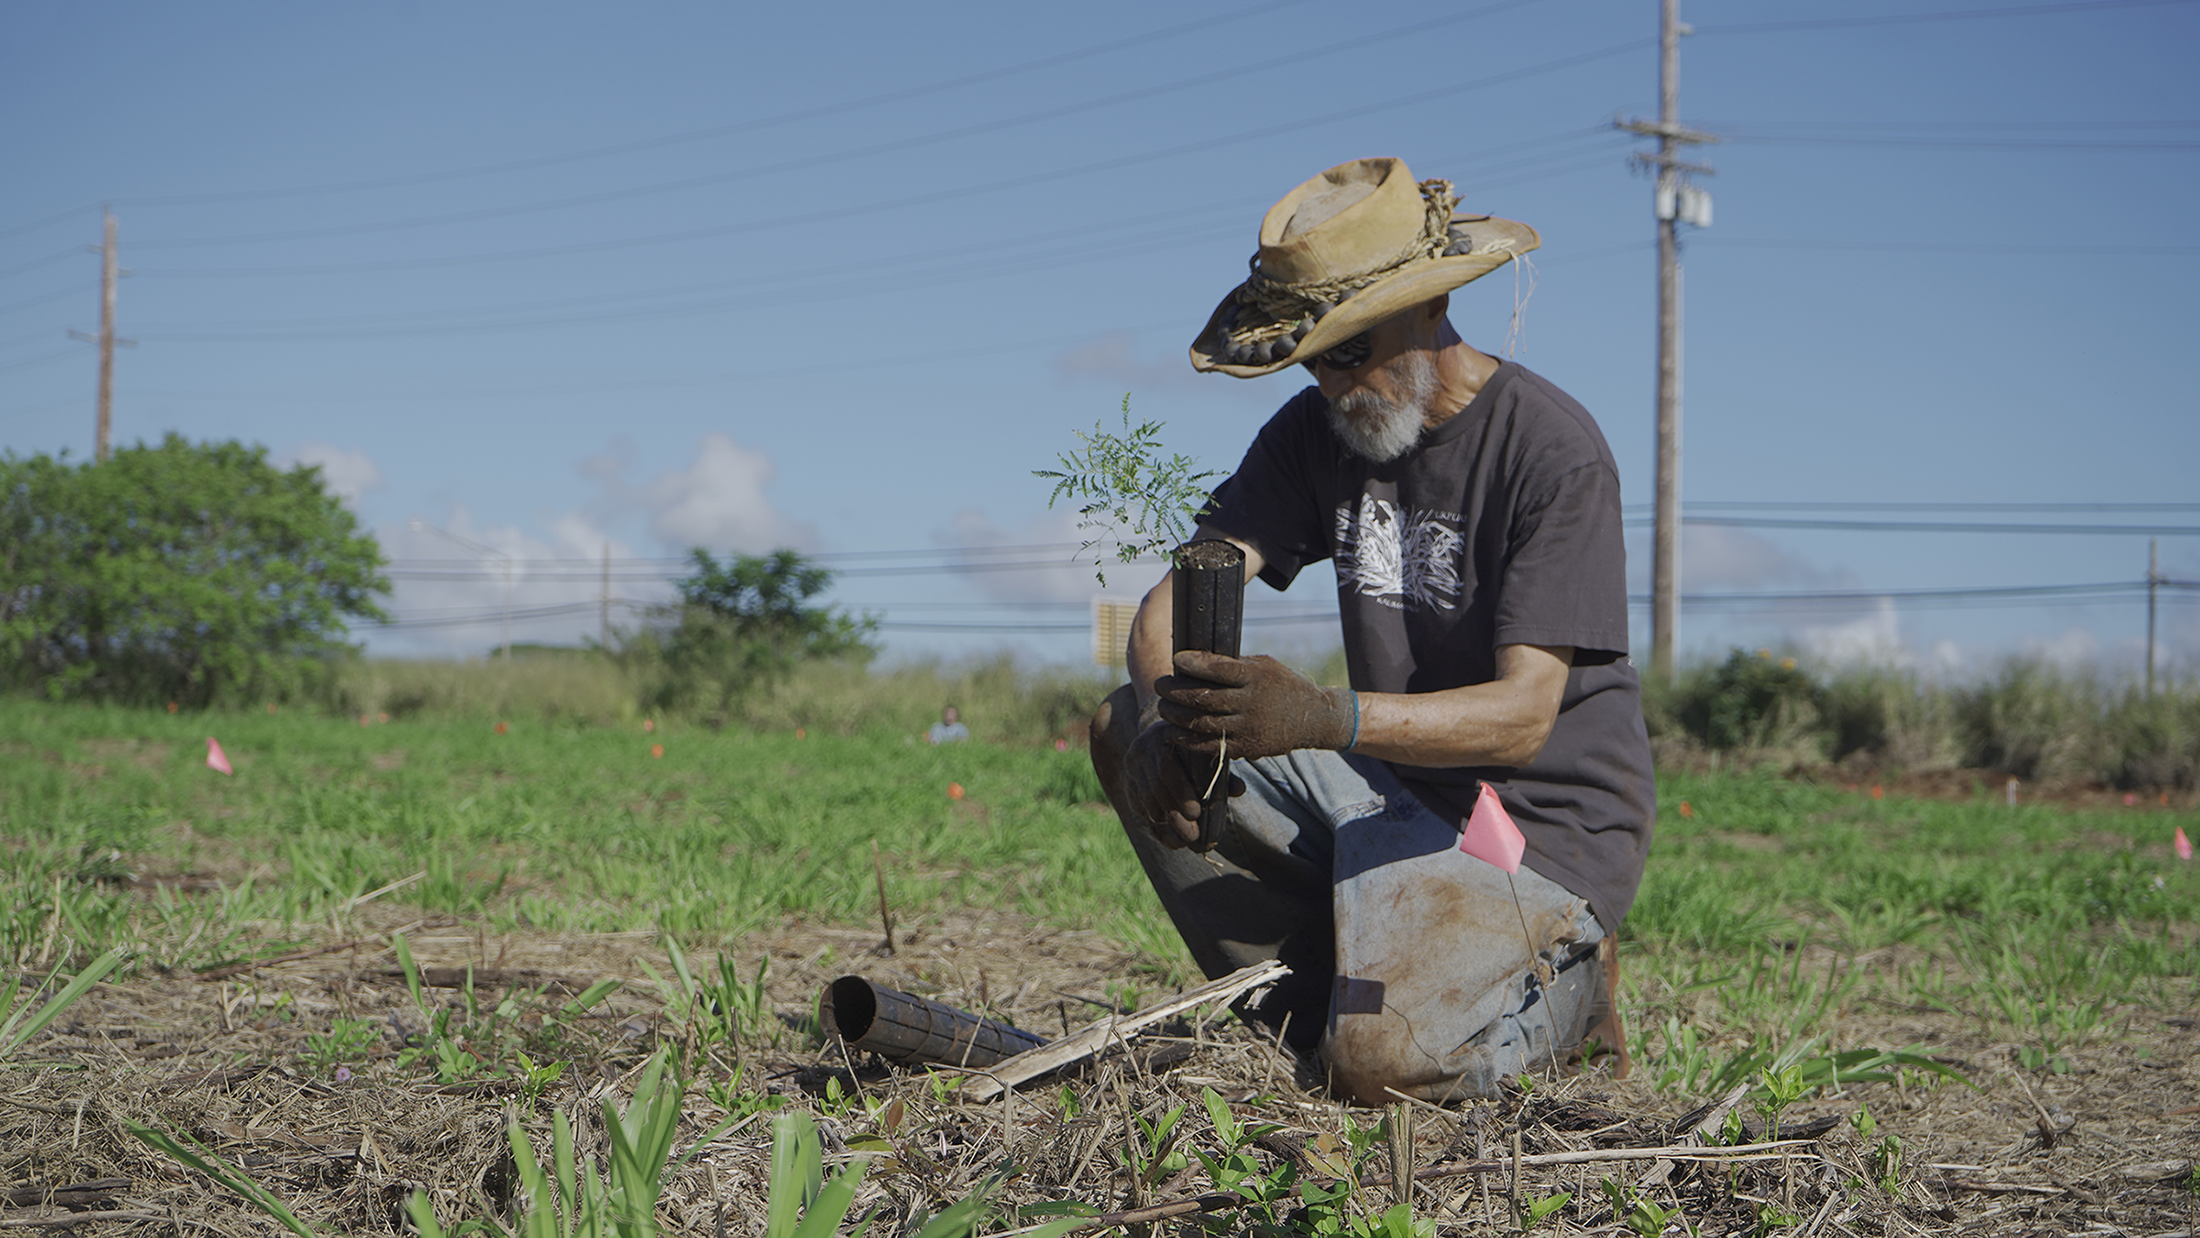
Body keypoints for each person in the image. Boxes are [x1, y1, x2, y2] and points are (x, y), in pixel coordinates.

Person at [1087, 158, 1655, 1105]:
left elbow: (1522, 719)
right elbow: (1177, 597)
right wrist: (1159, 724)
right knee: (1120, 725)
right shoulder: (1313, 434)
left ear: (1431, 310)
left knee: (1385, 1072)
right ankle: (1310, 1007)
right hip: (1389, 788)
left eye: (1353, 351)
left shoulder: (1551, 451)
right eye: (1315, 356)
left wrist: (1325, 716)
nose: (1333, 381)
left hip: (1531, 831)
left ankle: (1562, 992)